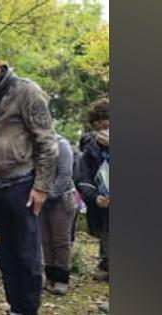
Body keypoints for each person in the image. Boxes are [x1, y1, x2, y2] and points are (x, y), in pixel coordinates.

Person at [0, 43, 58, 315]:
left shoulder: (26, 91)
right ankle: (15, 306)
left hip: (22, 183)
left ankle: (28, 308)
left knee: (26, 252)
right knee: (4, 252)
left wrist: (41, 186)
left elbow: (47, 142)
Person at [76, 98, 110, 282]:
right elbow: (83, 178)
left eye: (106, 126)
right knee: (106, 233)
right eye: (98, 128)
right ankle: (106, 264)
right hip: (103, 204)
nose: (102, 132)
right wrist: (94, 197)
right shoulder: (90, 148)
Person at [41, 134, 77, 295]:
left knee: (60, 240)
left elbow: (65, 175)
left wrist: (49, 195)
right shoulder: (34, 145)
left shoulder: (61, 144)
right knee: (46, 240)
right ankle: (50, 276)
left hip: (62, 198)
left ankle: (62, 278)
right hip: (41, 199)